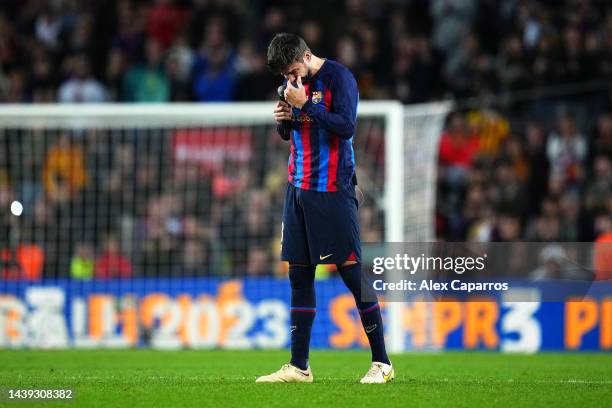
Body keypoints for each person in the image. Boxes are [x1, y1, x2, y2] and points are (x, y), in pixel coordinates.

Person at [255, 33, 393, 384]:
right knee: (299, 275)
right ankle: (299, 366)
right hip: (296, 189)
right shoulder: (290, 87)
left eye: (293, 69)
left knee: (350, 273)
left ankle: (382, 362)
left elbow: (346, 128)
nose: (290, 79)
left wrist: (304, 105)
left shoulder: (339, 78)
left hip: (331, 190)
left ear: (307, 55)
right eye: (285, 75)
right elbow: (291, 133)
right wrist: (283, 118)